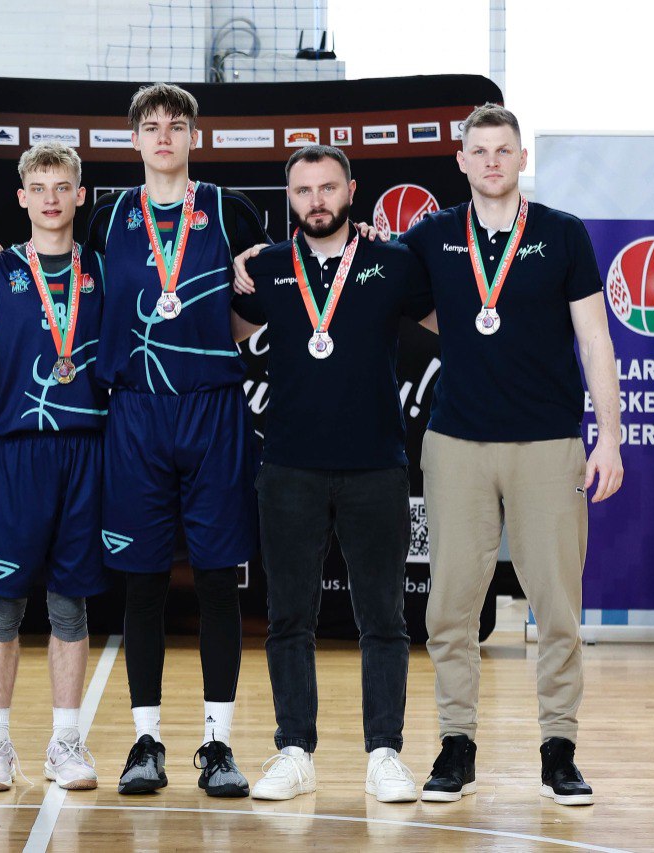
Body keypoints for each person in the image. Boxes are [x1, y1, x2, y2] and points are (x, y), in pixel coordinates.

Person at [0, 82, 267, 798]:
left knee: (217, 578)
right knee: (143, 578)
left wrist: (210, 339)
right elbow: (56, 284)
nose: (163, 136)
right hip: (133, 412)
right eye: (151, 126)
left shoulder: (232, 211)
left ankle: (218, 744)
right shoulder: (106, 221)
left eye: (176, 124)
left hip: (212, 409)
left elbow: (249, 310)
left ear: (194, 135)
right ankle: (145, 741)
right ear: (133, 140)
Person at [397, 104, 622, 806]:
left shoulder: (561, 233)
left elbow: (595, 339)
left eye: (504, 150)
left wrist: (610, 436)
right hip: (457, 444)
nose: (491, 161)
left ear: (522, 158)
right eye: (480, 150)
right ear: (461, 161)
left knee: (556, 607)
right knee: (450, 608)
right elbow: (388, 293)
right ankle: (455, 745)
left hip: (548, 443)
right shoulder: (432, 236)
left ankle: (559, 750)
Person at [230, 145, 433, 803]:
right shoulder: (267, 267)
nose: (316, 200)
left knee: (384, 618)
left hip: (377, 465)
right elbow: (221, 335)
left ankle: (385, 754)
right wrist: (234, 269)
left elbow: (454, 322)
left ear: (351, 190)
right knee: (288, 618)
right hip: (289, 467)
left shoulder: (392, 262)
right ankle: (295, 751)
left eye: (327, 187)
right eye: (303, 190)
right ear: (288, 198)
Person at [0, 143, 108, 793]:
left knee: (69, 605)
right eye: (39, 187)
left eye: (62, 186)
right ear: (21, 197)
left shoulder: (101, 269)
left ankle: (65, 742)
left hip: (83, 449)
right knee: (2, 604)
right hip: (15, 452)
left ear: (80, 195)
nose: (51, 198)